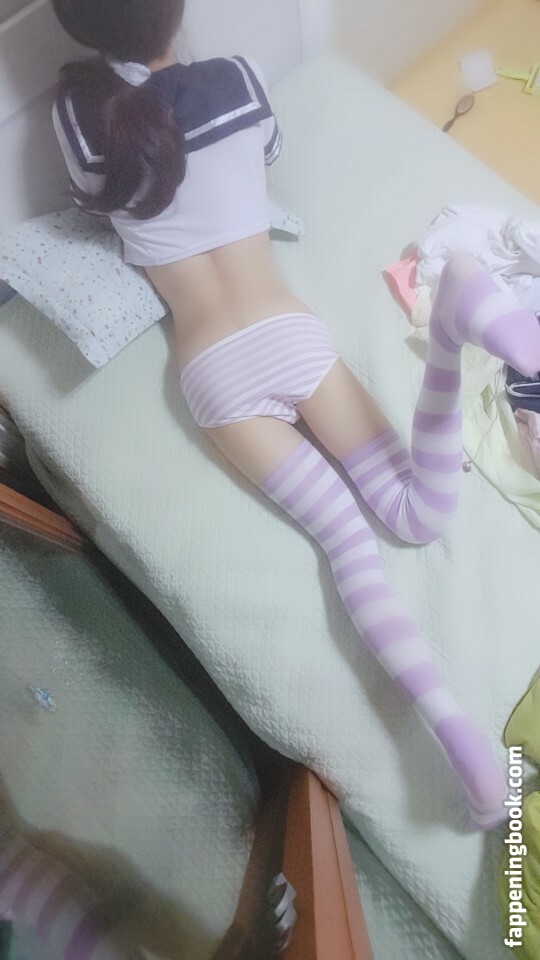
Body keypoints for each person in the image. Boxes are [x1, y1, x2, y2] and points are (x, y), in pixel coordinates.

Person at [50, 0, 540, 834]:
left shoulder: (79, 121)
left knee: (346, 548)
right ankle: (454, 328)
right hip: (286, 332)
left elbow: (97, 200)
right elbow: (262, 159)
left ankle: (458, 742)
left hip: (213, 375)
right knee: (417, 518)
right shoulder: (239, 82)